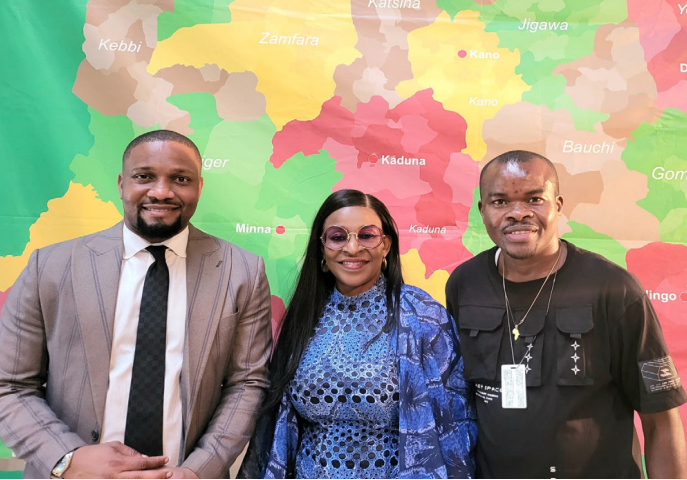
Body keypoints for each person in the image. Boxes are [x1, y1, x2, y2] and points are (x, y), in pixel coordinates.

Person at [0, 130, 272, 478]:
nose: (161, 191)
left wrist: (198, 471)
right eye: (144, 177)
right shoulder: (50, 266)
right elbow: (10, 384)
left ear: (199, 187)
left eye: (180, 179)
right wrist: (68, 459)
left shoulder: (242, 271)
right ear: (121, 183)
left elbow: (248, 384)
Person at [445, 150, 687, 478]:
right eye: (500, 201)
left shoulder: (614, 289)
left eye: (534, 199)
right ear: (483, 210)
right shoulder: (464, 283)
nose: (518, 213)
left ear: (557, 205)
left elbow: (661, 419)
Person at [238, 189, 477, 479]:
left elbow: (455, 424)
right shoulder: (304, 315)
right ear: (322, 249)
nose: (352, 248)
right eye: (338, 237)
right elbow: (278, 429)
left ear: (385, 245)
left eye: (367, 236)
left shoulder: (424, 317)